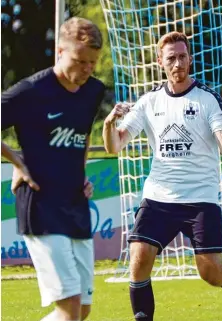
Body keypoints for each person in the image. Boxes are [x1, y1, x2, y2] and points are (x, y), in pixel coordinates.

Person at [103, 31, 222, 321]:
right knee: (138, 260)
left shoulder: (207, 99)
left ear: (190, 59)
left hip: (200, 199)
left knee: (211, 273)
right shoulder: (150, 101)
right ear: (160, 62)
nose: (177, 63)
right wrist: (108, 123)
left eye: (182, 57)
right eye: (171, 58)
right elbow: (115, 145)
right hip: (158, 198)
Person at [1, 17, 105, 321]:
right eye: (80, 60)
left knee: (82, 309)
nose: (87, 69)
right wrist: (18, 161)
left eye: (93, 62)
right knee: (69, 306)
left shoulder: (93, 91)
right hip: (40, 205)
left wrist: (81, 172)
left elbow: (83, 136)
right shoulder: (31, 90)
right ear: (60, 51)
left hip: (75, 203)